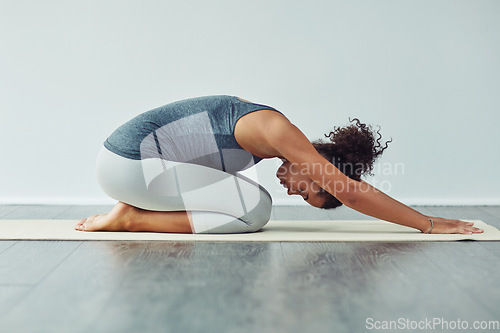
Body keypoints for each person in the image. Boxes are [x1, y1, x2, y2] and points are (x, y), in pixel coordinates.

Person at [75, 95, 483, 235]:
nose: (294, 191)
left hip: (129, 165)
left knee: (250, 203)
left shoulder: (262, 141)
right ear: (320, 164)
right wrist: (427, 223)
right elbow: (353, 191)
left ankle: (131, 211)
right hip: (132, 164)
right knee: (257, 209)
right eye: (308, 188)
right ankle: (130, 219)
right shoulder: (274, 128)